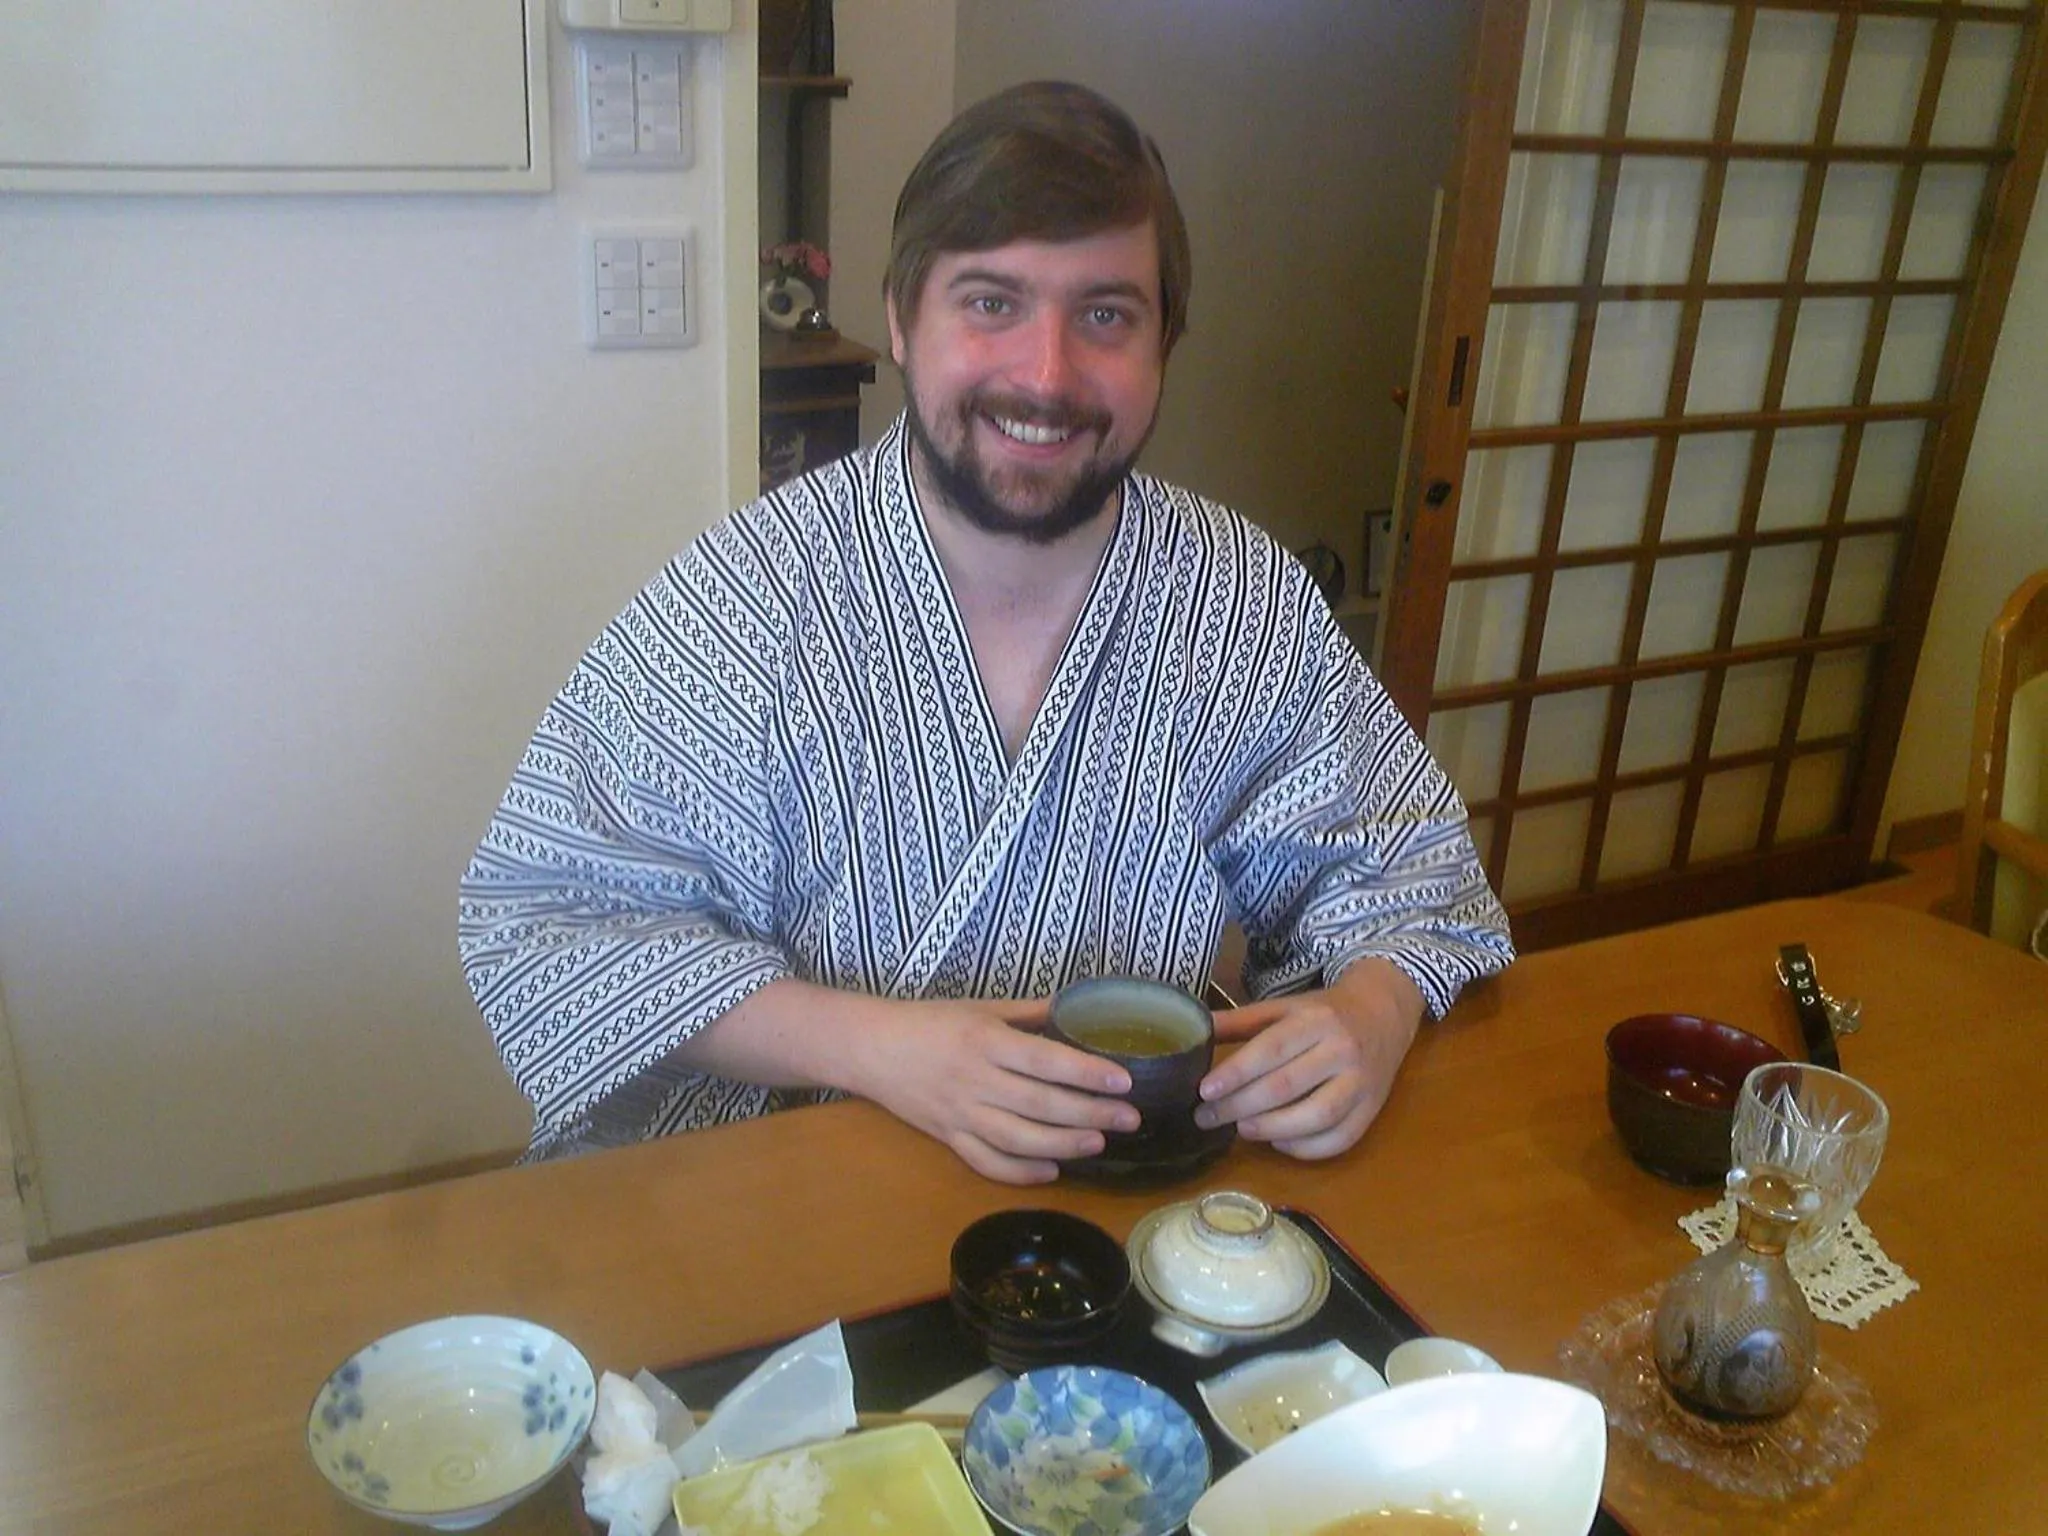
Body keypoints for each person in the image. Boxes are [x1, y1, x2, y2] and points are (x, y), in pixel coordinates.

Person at [459, 81, 1513, 1183]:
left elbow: (1404, 872)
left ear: (1162, 346)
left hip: (1123, 1199)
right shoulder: (744, 600)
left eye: (1104, 314)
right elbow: (549, 920)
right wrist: (876, 1048)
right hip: (787, 1198)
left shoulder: (1237, 598)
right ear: (903, 321)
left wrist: (1372, 1010)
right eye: (990, 302)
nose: (1046, 375)